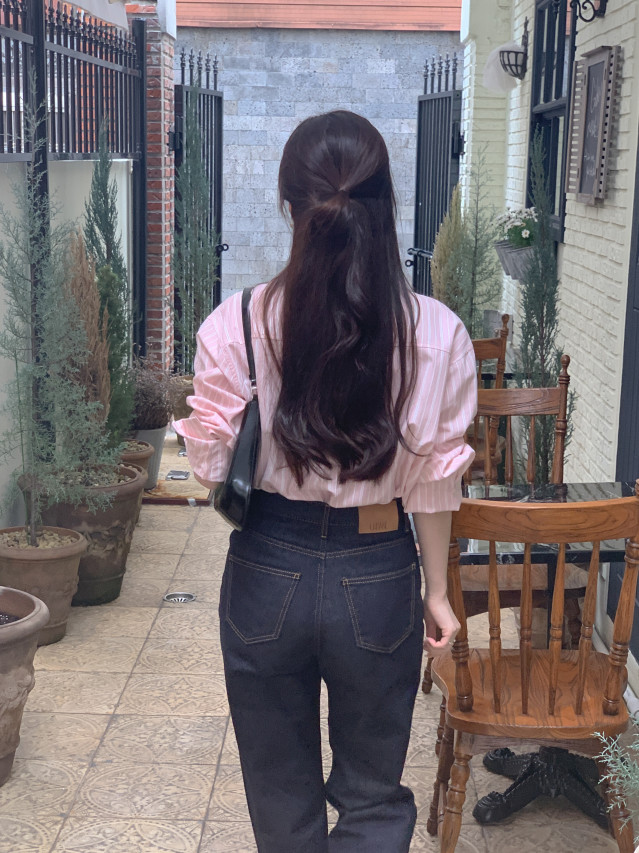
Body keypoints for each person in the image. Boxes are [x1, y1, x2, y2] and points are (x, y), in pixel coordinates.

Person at [174, 110, 477, 853]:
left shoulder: (234, 325)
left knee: (279, 791)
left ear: (289, 206)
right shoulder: (437, 332)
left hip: (265, 564)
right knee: (373, 793)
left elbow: (210, 468)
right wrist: (437, 591)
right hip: (378, 567)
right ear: (386, 205)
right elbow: (434, 483)